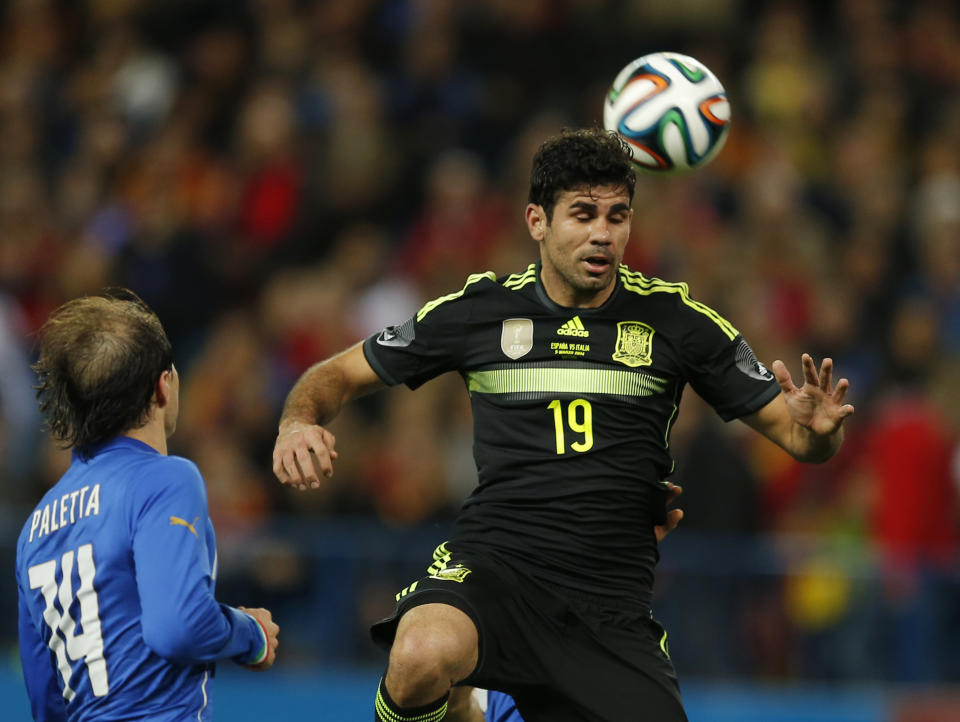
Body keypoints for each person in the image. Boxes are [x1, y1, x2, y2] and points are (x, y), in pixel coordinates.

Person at [273, 128, 854, 721]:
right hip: (495, 572)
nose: (603, 233)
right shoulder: (479, 313)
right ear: (537, 221)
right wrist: (298, 420)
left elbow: (798, 438)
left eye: (617, 215)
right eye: (582, 214)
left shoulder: (678, 323)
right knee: (420, 652)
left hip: (609, 605)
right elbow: (335, 375)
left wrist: (821, 429)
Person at [17, 289, 280, 722]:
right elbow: (177, 627)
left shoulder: (34, 528)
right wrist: (249, 633)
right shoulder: (165, 478)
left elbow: (46, 702)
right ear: (164, 385)